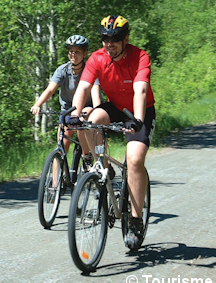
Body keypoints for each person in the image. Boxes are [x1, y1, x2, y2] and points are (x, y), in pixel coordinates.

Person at [69, 15, 156, 250]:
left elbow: (141, 89)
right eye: (105, 38)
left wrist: (137, 120)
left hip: (140, 111)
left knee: (135, 160)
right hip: (115, 106)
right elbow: (84, 86)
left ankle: (136, 220)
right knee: (92, 118)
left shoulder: (140, 57)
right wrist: (75, 114)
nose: (109, 43)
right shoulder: (97, 58)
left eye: (115, 38)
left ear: (125, 39)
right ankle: (103, 168)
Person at [30, 35, 101, 164]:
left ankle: (86, 156)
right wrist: (38, 104)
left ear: (85, 53)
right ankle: (55, 183)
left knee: (81, 120)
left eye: (77, 51)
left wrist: (98, 113)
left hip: (87, 110)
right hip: (68, 110)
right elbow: (50, 90)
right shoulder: (62, 70)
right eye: (71, 51)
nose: (73, 54)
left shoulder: (90, 71)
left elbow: (96, 96)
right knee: (61, 147)